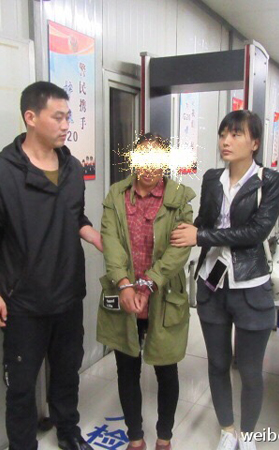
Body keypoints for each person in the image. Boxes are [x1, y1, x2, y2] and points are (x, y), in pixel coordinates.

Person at [0, 81, 102, 450]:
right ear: (31, 117)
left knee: (67, 373)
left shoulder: (72, 167)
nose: (66, 125)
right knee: (22, 386)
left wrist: (93, 234)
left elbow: (73, 215)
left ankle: (68, 432)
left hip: (68, 295)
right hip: (23, 301)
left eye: (68, 117)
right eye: (58, 117)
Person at [170, 110, 279, 450]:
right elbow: (204, 221)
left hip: (250, 286)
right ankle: (227, 429)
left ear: (255, 143)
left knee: (249, 370)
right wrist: (188, 230)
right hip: (212, 285)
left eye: (236, 134)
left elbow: (256, 232)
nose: (226, 141)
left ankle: (247, 435)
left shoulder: (270, 181)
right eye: (223, 134)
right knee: (218, 364)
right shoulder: (211, 179)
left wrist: (201, 236)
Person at [97, 134, 195, 450]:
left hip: (162, 298)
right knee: (126, 368)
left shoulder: (178, 198)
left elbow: (179, 251)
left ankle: (164, 437)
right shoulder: (117, 195)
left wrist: (150, 282)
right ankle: (135, 437)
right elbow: (110, 241)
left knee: (166, 367)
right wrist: (125, 284)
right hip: (125, 295)